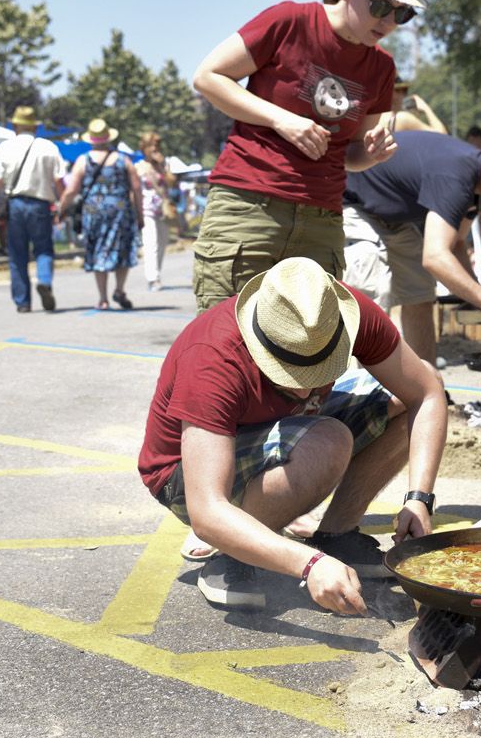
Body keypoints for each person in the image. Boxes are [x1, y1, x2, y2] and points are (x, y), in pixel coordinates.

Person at [137, 257, 447, 613]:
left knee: (415, 382)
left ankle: (337, 537)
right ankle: (235, 558)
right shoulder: (213, 357)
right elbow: (207, 509)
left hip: (277, 431)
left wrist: (419, 498)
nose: (306, 392)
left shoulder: (336, 313)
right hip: (183, 476)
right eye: (291, 373)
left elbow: (425, 393)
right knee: (327, 441)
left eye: (318, 368)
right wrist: (308, 563)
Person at [189, 0, 419, 311]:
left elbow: (351, 154)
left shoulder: (382, 68)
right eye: (380, 5)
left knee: (307, 357)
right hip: (249, 206)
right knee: (225, 346)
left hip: (321, 219)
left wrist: (374, 153)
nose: (389, 21)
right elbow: (208, 77)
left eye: (402, 12)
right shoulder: (290, 21)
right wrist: (282, 120)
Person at [343, 131, 481, 364]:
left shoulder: (479, 189)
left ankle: (424, 389)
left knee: (420, 292)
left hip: (394, 220)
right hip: (354, 204)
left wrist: (479, 296)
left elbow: (456, 243)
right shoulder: (456, 175)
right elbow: (435, 257)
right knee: (372, 290)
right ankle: (356, 393)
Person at [57, 119, 142, 310]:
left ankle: (103, 298)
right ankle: (119, 290)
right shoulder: (123, 160)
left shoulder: (83, 160)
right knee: (122, 249)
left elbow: (71, 190)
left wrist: (62, 209)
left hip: (93, 212)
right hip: (121, 211)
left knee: (98, 250)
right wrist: (140, 215)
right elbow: (136, 188)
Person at [0, 106, 65, 313]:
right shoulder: (48, 147)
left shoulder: (5, 147)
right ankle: (45, 280)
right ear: (35, 126)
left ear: (15, 126)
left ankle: (23, 302)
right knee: (43, 248)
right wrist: (63, 205)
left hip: (15, 205)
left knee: (17, 254)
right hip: (40, 204)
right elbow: (59, 182)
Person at [135, 131, 175, 291]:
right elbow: (135, 190)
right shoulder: (139, 166)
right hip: (146, 210)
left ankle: (156, 273)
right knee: (150, 243)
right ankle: (153, 278)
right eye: (150, 146)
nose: (154, 149)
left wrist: (163, 167)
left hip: (163, 210)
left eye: (156, 145)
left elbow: (172, 184)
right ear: (143, 148)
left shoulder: (164, 165)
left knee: (162, 243)